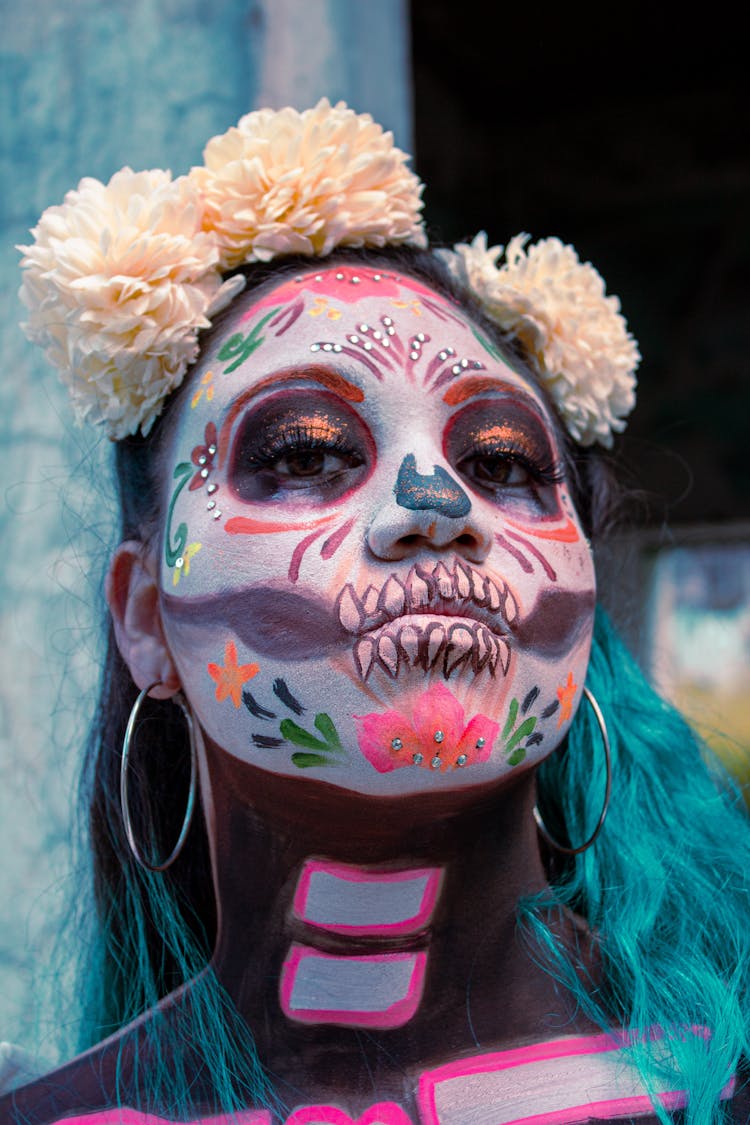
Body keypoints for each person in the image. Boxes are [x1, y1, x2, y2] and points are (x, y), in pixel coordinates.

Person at [3, 99, 749, 1125]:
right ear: (145, 620)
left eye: (501, 462)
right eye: (305, 450)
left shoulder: (720, 1078)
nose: (434, 509)